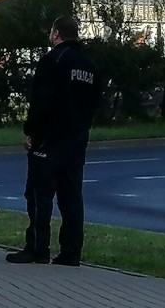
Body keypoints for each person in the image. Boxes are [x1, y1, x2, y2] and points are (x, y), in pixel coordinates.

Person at [6, 16, 102, 267]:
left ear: (56, 34)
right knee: (71, 196)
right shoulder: (90, 64)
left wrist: (31, 131)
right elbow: (94, 102)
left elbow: (41, 101)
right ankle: (71, 252)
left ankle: (38, 248)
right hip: (77, 138)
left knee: (39, 194)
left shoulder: (52, 60)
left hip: (49, 138)